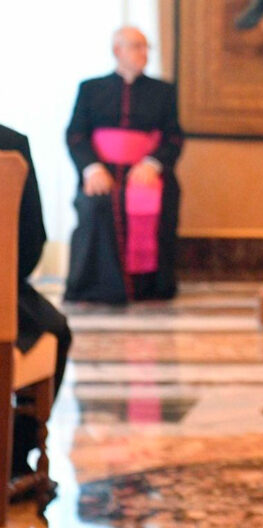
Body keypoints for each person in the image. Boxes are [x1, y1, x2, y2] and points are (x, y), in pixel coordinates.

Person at [65, 26, 183, 304]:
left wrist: (152, 164)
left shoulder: (163, 91)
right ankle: (96, 288)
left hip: (146, 171)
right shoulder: (90, 88)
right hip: (102, 170)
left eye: (146, 47)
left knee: (159, 203)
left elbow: (174, 137)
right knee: (96, 205)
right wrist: (91, 168)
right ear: (117, 50)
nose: (144, 53)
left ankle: (149, 288)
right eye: (136, 46)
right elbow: (76, 135)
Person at [1, 124, 71, 492]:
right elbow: (32, 240)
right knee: (55, 330)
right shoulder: (10, 145)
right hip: (2, 293)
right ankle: (13, 458)